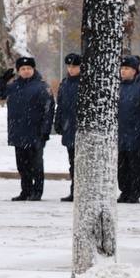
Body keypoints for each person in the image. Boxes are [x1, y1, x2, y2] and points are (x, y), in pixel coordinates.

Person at [0, 55, 53, 201]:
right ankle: (26, 191)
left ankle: (37, 192)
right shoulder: (13, 86)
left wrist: (45, 131)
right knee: (22, 166)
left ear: (33, 69)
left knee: (36, 165)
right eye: (23, 69)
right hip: (18, 132)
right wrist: (2, 80)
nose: (26, 71)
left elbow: (49, 110)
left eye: (29, 68)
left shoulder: (41, 87)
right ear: (19, 71)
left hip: (36, 133)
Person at [117, 55, 140, 203]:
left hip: (136, 134)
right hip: (121, 134)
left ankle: (135, 191)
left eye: (126, 68)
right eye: (122, 68)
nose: (123, 71)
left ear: (134, 70)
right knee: (122, 165)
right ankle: (124, 191)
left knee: (135, 165)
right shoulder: (117, 87)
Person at [53, 53, 80, 201]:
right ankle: (74, 190)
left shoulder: (85, 83)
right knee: (73, 163)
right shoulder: (65, 83)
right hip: (69, 128)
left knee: (81, 164)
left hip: (81, 129)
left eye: (74, 66)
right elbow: (61, 105)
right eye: (69, 66)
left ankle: (80, 191)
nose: (71, 69)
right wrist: (58, 122)